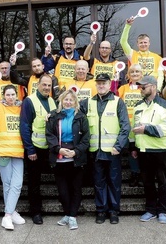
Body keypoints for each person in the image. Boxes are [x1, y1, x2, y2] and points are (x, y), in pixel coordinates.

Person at [80, 73, 130, 225]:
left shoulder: (117, 102)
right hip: (95, 151)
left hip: (112, 151)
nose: (101, 86)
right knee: (98, 182)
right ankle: (101, 210)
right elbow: (72, 112)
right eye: (99, 83)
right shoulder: (87, 102)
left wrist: (118, 146)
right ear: (96, 85)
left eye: (104, 83)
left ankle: (113, 211)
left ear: (110, 85)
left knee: (114, 182)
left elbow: (125, 126)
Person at [0, 84, 26, 230]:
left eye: (13, 94)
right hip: (2, 151)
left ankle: (10, 212)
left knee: (17, 183)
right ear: (3, 96)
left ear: (16, 95)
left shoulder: (21, 109)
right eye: (7, 95)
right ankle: (9, 215)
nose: (10, 97)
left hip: (18, 151)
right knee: (7, 184)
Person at [46, 89, 90, 230]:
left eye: (71, 100)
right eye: (66, 99)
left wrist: (75, 152)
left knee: (76, 189)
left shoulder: (81, 117)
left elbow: (86, 138)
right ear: (61, 101)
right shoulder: (53, 116)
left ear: (75, 102)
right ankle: (67, 214)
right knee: (62, 190)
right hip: (59, 158)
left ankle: (72, 216)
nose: (68, 102)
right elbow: (49, 135)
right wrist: (58, 149)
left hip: (75, 158)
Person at [132, 76, 166, 224]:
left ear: (154, 87)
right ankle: (150, 209)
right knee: (147, 182)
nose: (141, 89)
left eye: (144, 86)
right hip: (143, 150)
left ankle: (162, 210)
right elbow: (134, 128)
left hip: (160, 149)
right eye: (140, 87)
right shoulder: (137, 106)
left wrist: (146, 129)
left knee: (162, 181)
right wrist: (134, 147)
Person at [20, 74, 57, 224]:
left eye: (49, 85)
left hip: (50, 148)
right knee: (34, 182)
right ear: (38, 85)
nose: (47, 87)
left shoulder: (52, 101)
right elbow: (24, 126)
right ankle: (35, 211)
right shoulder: (29, 101)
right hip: (35, 147)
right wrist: (30, 149)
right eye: (44, 85)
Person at [117, 64, 143, 187]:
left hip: (142, 126)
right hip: (128, 125)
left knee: (142, 151)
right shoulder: (122, 89)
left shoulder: (145, 88)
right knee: (132, 152)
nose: (134, 74)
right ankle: (134, 174)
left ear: (142, 74)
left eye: (137, 71)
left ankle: (143, 174)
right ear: (128, 75)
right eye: (132, 72)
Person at [120, 17, 163, 91]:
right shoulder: (132, 54)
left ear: (149, 43)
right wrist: (127, 26)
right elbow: (123, 42)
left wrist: (158, 89)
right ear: (137, 44)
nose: (143, 44)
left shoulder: (157, 58)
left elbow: (161, 75)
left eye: (145, 42)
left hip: (152, 89)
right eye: (141, 43)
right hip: (136, 89)